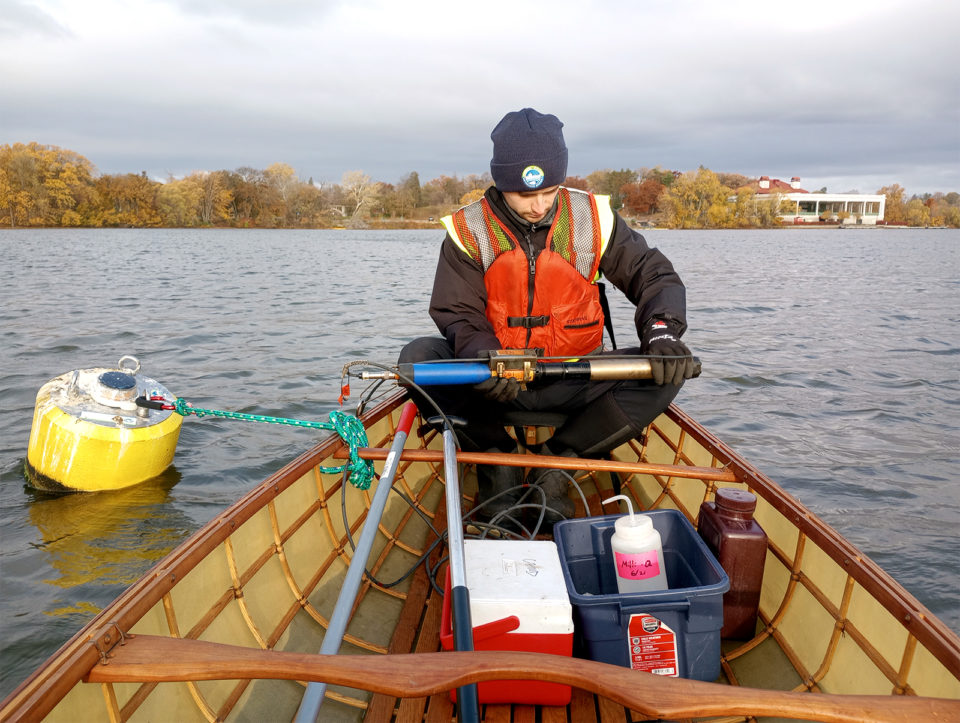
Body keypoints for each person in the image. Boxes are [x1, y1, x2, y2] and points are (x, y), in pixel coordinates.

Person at [399, 107, 696, 529]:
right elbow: (458, 312)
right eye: (524, 194)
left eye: (549, 191)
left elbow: (654, 276)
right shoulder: (468, 231)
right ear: (501, 184)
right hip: (496, 386)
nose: (538, 206)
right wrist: (487, 357)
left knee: (665, 370)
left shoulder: (595, 220)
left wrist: (662, 331)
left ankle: (562, 461)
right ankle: (494, 457)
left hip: (577, 378)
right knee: (418, 358)